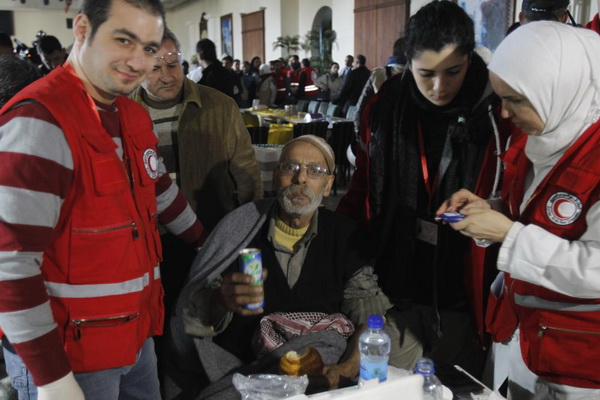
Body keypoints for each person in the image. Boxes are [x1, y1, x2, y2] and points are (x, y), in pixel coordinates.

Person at [0, 1, 207, 399]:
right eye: (123, 40)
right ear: (82, 30)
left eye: (148, 48)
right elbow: (11, 266)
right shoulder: (39, 123)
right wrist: (52, 378)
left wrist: (208, 243)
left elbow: (160, 193)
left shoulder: (131, 116)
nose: (138, 61)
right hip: (70, 359)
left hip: (136, 340)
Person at [337, 0, 513, 381]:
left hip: (468, 286)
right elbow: (362, 186)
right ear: (408, 63)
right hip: (395, 278)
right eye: (425, 73)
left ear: (471, 57)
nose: (439, 86)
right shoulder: (385, 108)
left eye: (453, 71)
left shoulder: (499, 112)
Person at [438, 21, 600, 400]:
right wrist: (489, 209)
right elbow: (537, 212)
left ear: (559, 90)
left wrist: (509, 236)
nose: (506, 115)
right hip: (524, 336)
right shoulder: (543, 138)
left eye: (516, 100)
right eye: (501, 99)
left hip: (577, 361)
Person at [167, 135, 397, 399]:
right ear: (276, 178)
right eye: (290, 167)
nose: (300, 179)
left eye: (315, 171)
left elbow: (371, 319)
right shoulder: (239, 229)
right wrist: (220, 300)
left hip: (320, 375)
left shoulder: (346, 237)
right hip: (244, 373)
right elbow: (191, 318)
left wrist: (346, 368)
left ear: (328, 185)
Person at [132, 29, 262, 316]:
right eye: (155, 69)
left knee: (206, 317)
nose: (167, 76)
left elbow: (246, 175)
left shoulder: (219, 107)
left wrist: (248, 234)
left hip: (209, 235)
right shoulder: (124, 112)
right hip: (148, 242)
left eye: (172, 65)